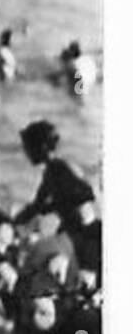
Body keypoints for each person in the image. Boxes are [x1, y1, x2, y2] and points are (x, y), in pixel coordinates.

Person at [15, 120, 101, 283]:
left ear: (41, 148)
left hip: (85, 233)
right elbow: (38, 205)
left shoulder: (59, 168)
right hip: (75, 231)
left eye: (28, 148)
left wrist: (56, 204)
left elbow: (88, 193)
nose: (26, 153)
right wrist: (18, 219)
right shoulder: (52, 171)